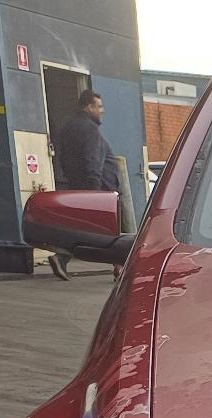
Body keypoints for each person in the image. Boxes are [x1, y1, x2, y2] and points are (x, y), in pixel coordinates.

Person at [50, 90, 120, 279]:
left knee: (88, 229)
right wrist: (95, 193)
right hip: (100, 189)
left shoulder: (67, 127)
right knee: (111, 230)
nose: (102, 111)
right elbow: (93, 160)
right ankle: (120, 267)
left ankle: (63, 257)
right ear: (89, 107)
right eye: (99, 106)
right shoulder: (90, 129)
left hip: (78, 184)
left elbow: (63, 158)